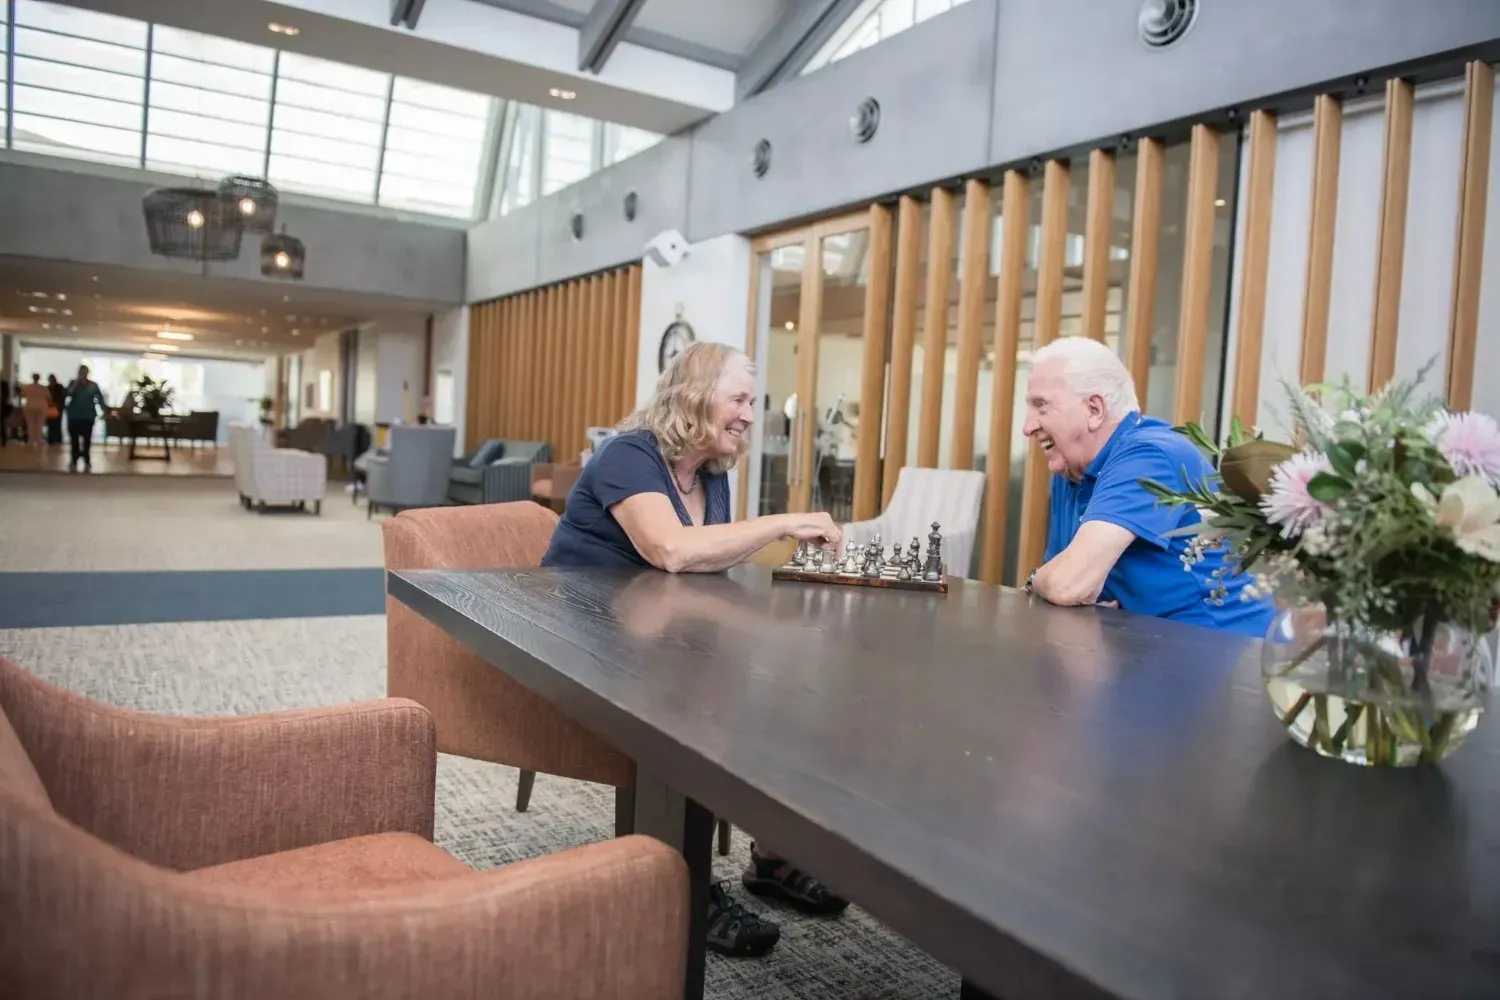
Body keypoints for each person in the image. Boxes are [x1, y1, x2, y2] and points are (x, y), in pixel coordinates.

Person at [542, 341, 849, 959]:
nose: (748, 414)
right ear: (693, 397)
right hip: (581, 634)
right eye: (738, 399)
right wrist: (782, 523)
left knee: (782, 685)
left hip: (655, 628)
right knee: (704, 708)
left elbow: (707, 565)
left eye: (751, 402)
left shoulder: (710, 475)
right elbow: (673, 551)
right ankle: (689, 887)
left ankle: (772, 855)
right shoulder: (627, 455)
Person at [1019, 336, 1271, 636]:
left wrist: (1039, 579)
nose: (1028, 426)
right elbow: (1061, 588)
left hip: (1229, 660)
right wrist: (1051, 582)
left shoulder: (1150, 455)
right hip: (1143, 653)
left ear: (1094, 410)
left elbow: (1066, 584)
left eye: (1041, 406)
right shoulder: (1071, 470)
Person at [64, 365, 107, 472]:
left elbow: (100, 399)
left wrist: (105, 411)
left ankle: (86, 459)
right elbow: (67, 394)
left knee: (87, 439)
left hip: (88, 416)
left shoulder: (93, 385)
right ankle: (74, 459)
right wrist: (75, 384)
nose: (82, 374)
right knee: (74, 439)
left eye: (84, 372)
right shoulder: (73, 383)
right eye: (81, 372)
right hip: (74, 415)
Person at [19, 374, 50, 449]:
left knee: (30, 423)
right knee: (39, 423)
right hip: (41, 407)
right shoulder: (43, 388)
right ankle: (39, 440)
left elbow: (22, 395)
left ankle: (31, 440)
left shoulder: (27, 387)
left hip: (30, 406)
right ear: (39, 378)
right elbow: (49, 397)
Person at [45, 374, 65, 445]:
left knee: (57, 424)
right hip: (50, 408)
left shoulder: (59, 387)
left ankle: (57, 439)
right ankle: (51, 439)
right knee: (50, 424)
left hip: (58, 408)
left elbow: (62, 396)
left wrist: (58, 404)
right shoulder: (48, 388)